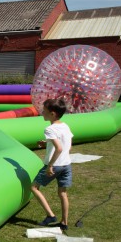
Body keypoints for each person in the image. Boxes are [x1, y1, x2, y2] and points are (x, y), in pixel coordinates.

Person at [32, 98, 74, 231]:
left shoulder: (49, 129)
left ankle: (50, 215)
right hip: (66, 164)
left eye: (44, 111)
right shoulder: (65, 125)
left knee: (34, 187)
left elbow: (59, 148)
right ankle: (64, 222)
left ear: (53, 114)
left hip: (55, 165)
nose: (42, 113)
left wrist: (50, 165)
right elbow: (68, 146)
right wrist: (47, 143)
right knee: (62, 193)